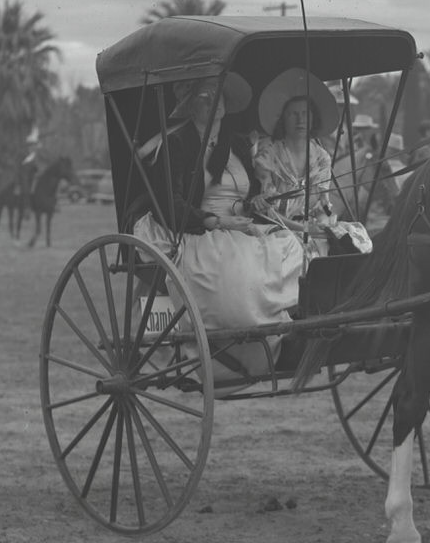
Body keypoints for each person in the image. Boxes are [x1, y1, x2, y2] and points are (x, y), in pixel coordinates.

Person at [127, 73, 304, 374]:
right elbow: (171, 203)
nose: (213, 102)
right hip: (196, 226)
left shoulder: (235, 145)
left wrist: (256, 203)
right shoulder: (176, 144)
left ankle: (280, 331)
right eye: (204, 97)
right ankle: (236, 348)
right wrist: (218, 221)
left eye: (218, 96)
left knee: (289, 243)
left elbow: (248, 194)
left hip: (240, 223)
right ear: (189, 104)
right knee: (236, 263)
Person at [254, 67, 371, 256]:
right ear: (283, 118)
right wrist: (303, 230)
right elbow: (268, 211)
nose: (300, 120)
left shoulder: (321, 157)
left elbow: (324, 205)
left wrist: (324, 225)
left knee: (354, 242)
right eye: (293, 114)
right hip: (279, 229)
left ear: (312, 118)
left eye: (305, 114)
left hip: (312, 229)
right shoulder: (269, 154)